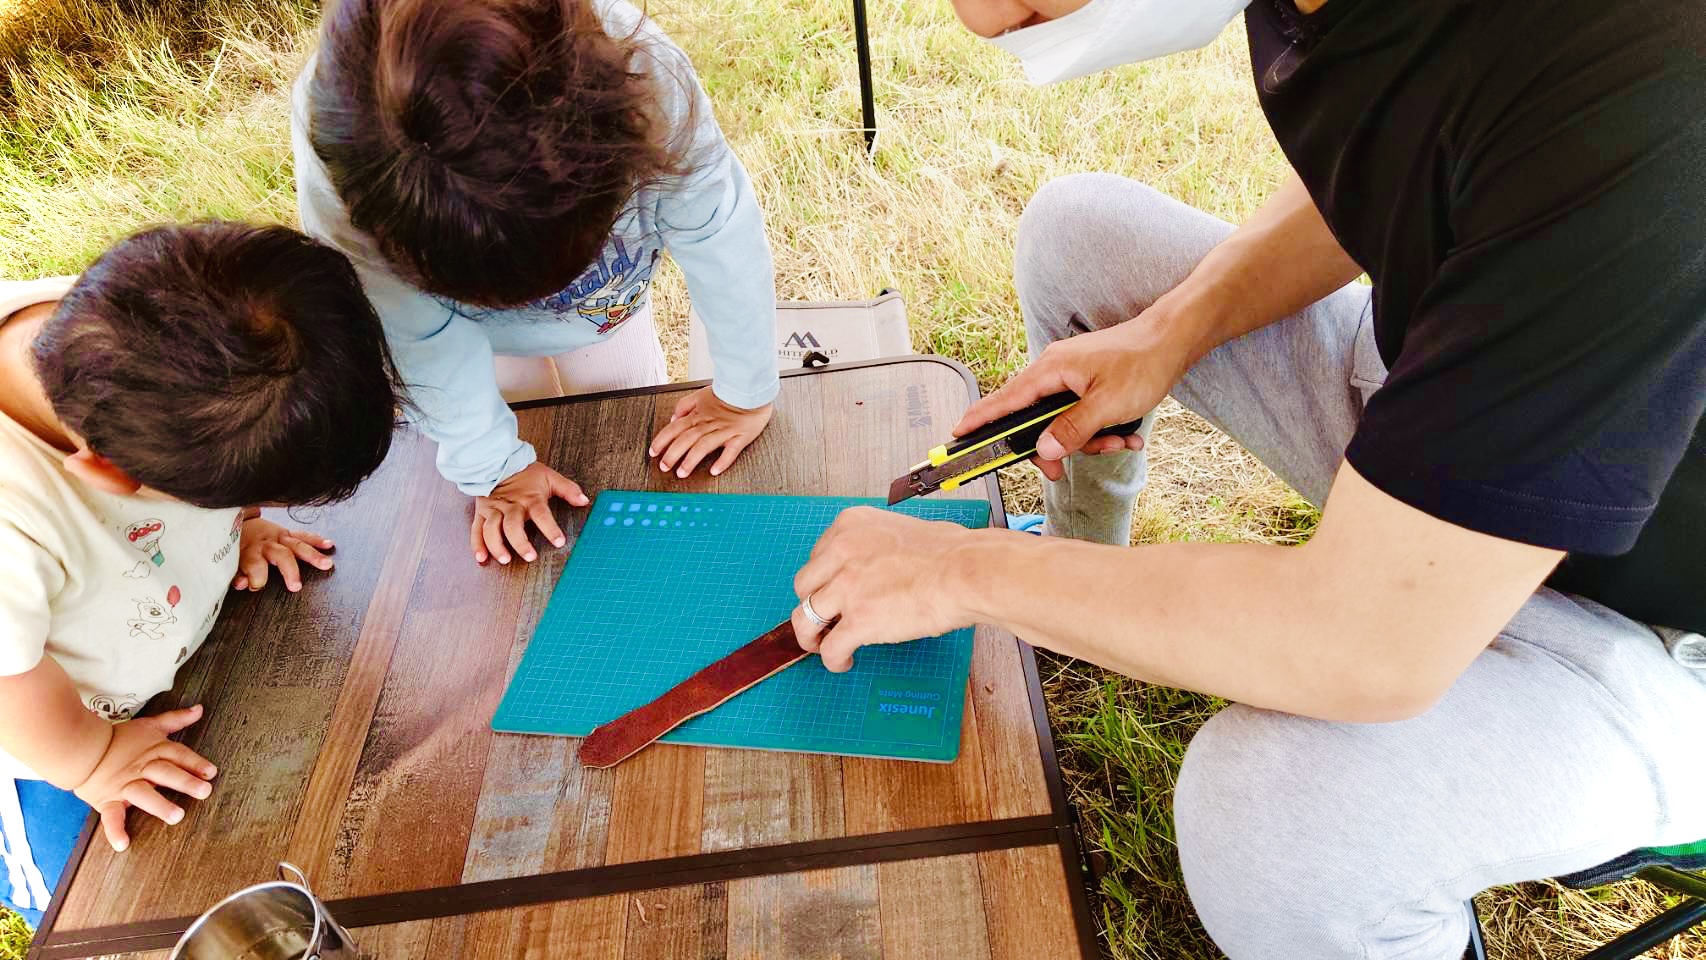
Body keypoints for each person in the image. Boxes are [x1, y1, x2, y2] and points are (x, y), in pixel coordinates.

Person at [789, 1, 1706, 957]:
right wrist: (1166, 330)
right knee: (1082, 234)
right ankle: (1074, 580)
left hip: (1652, 624)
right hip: (1448, 408)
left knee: (1272, 825)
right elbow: (1413, 157)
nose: (989, 21)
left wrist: (958, 572)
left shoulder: (1645, 71)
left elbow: (1365, 642)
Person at [0, 222, 404, 924]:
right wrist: (91, 760)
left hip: (153, 636)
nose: (249, 505)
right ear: (103, 473)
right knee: (107, 910)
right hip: (45, 733)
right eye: (224, 498)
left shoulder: (143, 333)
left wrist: (242, 525)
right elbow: (10, 679)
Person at [292, 0, 781, 568]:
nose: (536, 305)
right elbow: (413, 333)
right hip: (467, 335)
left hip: (607, 309)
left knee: (625, 407)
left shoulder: (649, 77)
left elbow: (720, 235)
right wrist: (495, 470)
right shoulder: (343, 161)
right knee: (515, 405)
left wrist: (744, 394)